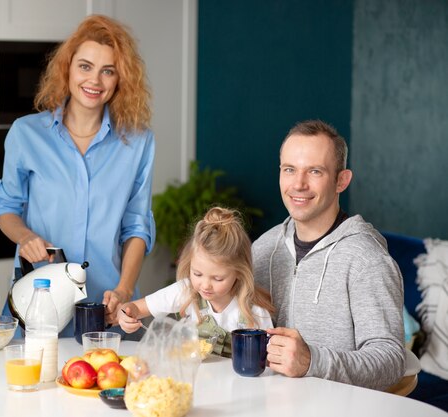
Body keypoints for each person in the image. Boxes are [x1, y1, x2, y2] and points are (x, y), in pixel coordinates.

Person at [0, 14, 155, 336]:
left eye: (108, 71)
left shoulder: (138, 142)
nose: (95, 80)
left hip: (107, 308)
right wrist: (25, 237)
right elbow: (5, 207)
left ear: (120, 79)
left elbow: (137, 226)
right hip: (39, 301)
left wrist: (123, 289)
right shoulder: (26, 134)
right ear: (67, 68)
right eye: (85, 66)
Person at [252, 119, 405, 390]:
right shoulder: (263, 249)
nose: (298, 184)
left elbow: (390, 361)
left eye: (314, 171)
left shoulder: (366, 259)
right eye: (289, 169)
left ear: (341, 181)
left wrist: (312, 361)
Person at [118, 207, 274, 357]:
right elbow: (135, 308)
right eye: (197, 274)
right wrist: (126, 313)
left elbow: (268, 359)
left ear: (239, 273)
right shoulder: (186, 290)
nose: (205, 285)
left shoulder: (254, 312)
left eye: (217, 278)